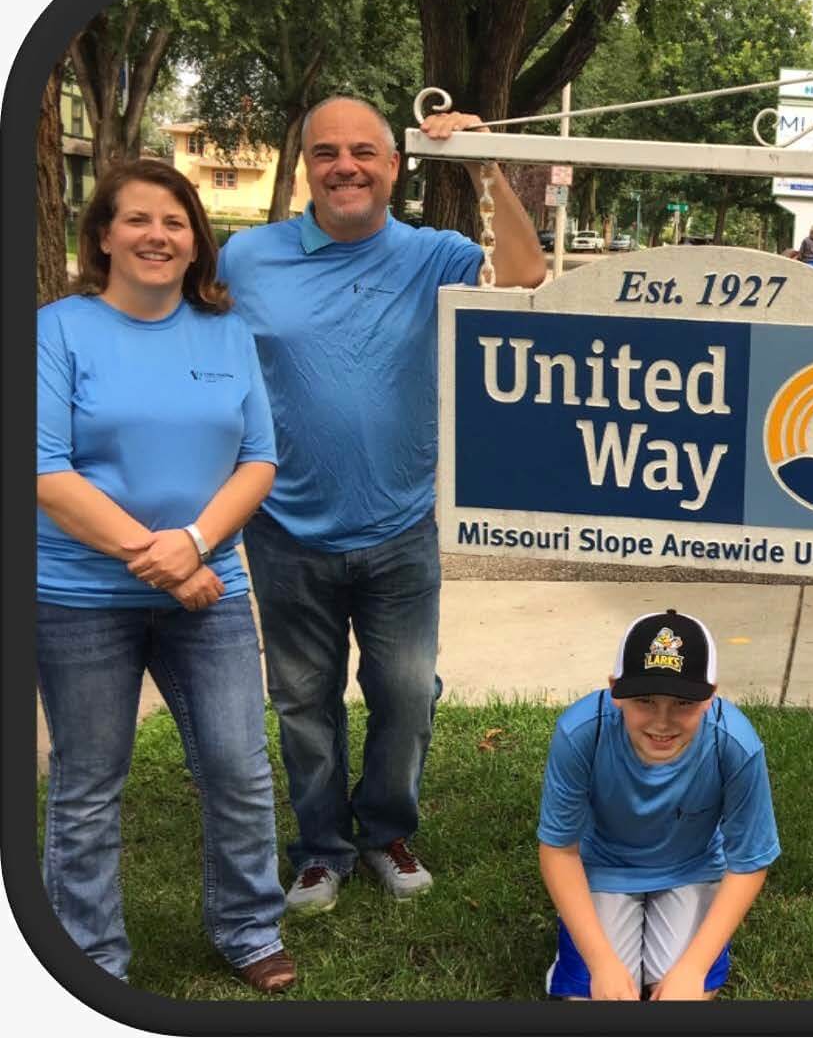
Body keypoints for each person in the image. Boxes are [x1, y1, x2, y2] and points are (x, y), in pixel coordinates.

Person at [220, 96, 547, 913]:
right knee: (304, 699)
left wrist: (482, 160)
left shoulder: (431, 253)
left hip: (402, 523)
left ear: (393, 165)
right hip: (284, 527)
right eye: (326, 152)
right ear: (306, 167)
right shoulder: (247, 258)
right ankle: (321, 848)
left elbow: (524, 273)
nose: (345, 166)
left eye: (364, 151)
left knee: (405, 693)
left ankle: (386, 831)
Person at [36, 160, 294, 992]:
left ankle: (250, 928)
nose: (157, 234)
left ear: (196, 242)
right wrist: (162, 561)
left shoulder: (226, 331)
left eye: (175, 221)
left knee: (239, 768)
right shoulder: (57, 330)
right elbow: (43, 471)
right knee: (85, 785)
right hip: (78, 597)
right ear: (103, 236)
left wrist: (193, 542)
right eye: (138, 219)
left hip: (208, 589)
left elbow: (259, 459)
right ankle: (90, 958)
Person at [538, 609, 781, 1000]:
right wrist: (601, 963)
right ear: (615, 689)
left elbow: (749, 862)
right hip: (604, 866)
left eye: (683, 703)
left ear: (710, 695)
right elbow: (559, 849)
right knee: (598, 993)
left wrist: (693, 968)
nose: (662, 721)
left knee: (680, 991)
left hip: (693, 867)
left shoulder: (735, 743)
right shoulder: (580, 731)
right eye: (645, 701)